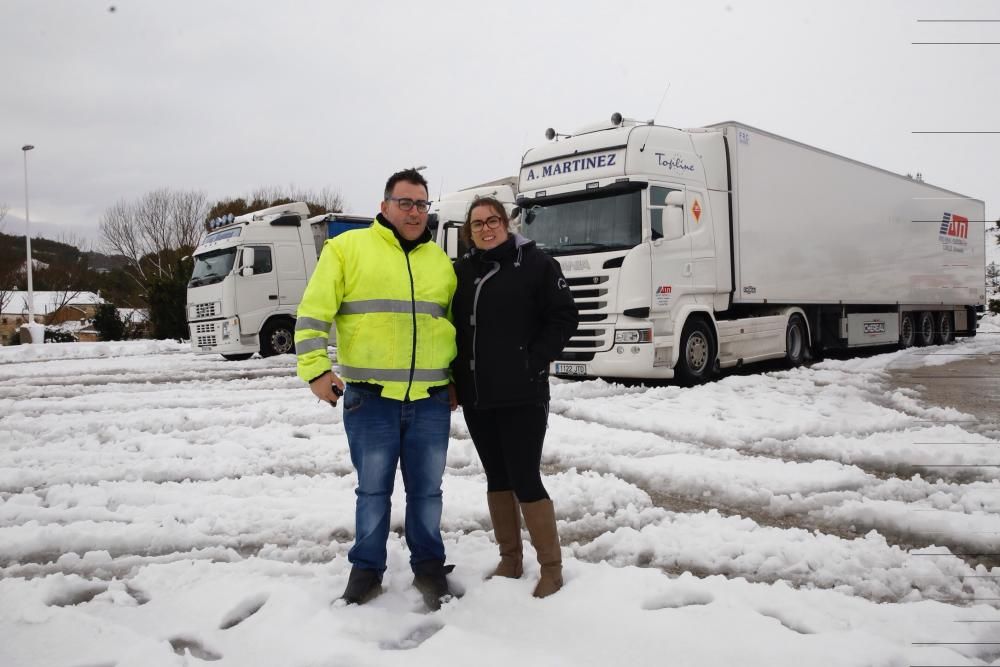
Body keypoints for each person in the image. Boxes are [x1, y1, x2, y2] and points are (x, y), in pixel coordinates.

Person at [295, 168, 458, 609]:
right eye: (404, 203)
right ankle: (367, 570)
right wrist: (315, 369)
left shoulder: (440, 262)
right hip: (370, 400)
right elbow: (312, 314)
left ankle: (429, 566)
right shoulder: (347, 248)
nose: (414, 212)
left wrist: (455, 380)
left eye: (421, 204)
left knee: (428, 492)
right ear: (383, 206)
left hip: (429, 401)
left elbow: (453, 327)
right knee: (373, 492)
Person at [450, 196, 578, 598]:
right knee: (497, 478)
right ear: (468, 231)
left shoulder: (537, 264)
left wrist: (534, 361)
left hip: (523, 395)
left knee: (525, 478)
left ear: (506, 224)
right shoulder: (462, 271)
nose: (486, 229)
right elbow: (454, 329)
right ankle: (510, 558)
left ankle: (551, 568)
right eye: (477, 224)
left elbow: (564, 317)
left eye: (492, 221)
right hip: (477, 396)